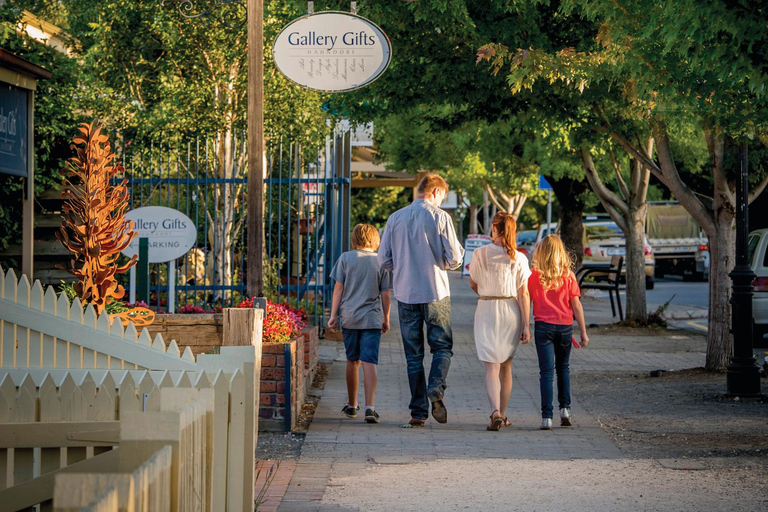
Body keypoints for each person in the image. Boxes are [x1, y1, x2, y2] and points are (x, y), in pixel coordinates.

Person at [378, 173, 465, 428]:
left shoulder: (395, 218)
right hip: (436, 291)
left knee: (413, 355)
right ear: (436, 191)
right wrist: (445, 262)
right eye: (443, 197)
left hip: (405, 293)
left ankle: (418, 412)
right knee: (442, 347)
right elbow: (455, 258)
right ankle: (436, 388)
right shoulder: (440, 217)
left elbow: (383, 260)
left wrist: (403, 267)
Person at [469, 212, 531, 431]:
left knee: (491, 366)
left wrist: (486, 289)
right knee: (506, 365)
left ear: (495, 229)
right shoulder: (520, 258)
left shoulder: (479, 254)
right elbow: (524, 294)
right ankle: (502, 415)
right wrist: (526, 324)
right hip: (510, 310)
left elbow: (473, 283)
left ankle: (494, 410)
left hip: (486, 308)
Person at [328, 224, 392, 424]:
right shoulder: (380, 262)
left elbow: (338, 289)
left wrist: (333, 315)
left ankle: (352, 405)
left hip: (350, 317)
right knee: (369, 362)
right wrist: (386, 317)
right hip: (372, 318)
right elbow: (386, 294)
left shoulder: (345, 258)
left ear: (354, 239)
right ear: (375, 240)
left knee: (352, 360)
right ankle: (370, 408)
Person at [528, 234, 590, 430]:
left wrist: (523, 325)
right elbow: (576, 305)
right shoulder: (568, 276)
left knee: (546, 372)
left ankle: (547, 417)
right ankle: (565, 409)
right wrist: (583, 332)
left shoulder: (533, 276)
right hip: (564, 328)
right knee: (563, 368)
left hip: (543, 327)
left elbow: (526, 301)